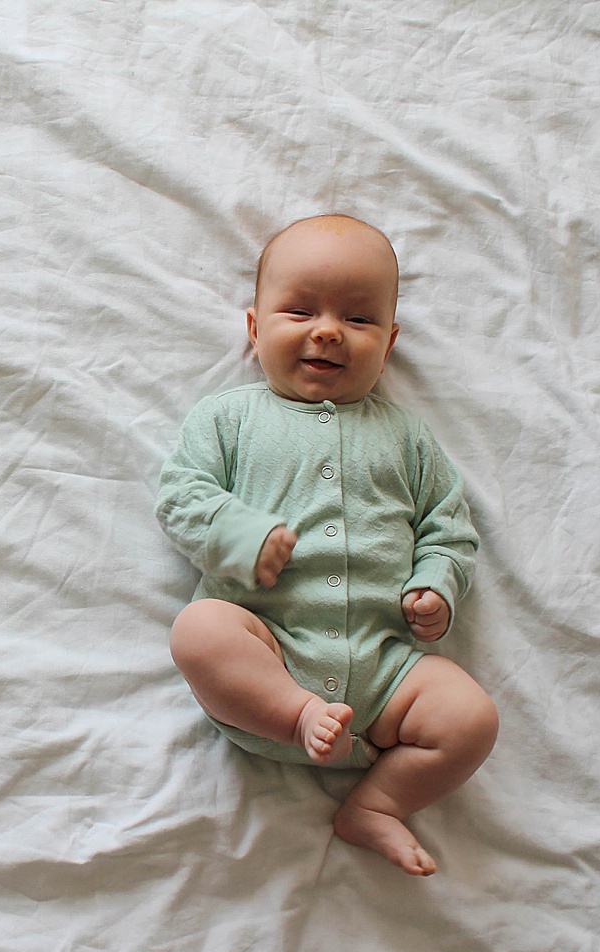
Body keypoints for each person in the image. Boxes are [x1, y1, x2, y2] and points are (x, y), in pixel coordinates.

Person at [156, 214, 497, 876]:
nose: (328, 330)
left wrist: (437, 585)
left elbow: (448, 525)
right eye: (301, 310)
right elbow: (180, 497)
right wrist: (243, 536)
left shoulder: (407, 437)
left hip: (385, 675)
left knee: (472, 718)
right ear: (255, 328)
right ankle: (296, 713)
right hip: (269, 651)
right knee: (199, 629)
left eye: (359, 319)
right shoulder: (229, 419)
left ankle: (375, 805)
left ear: (390, 342)